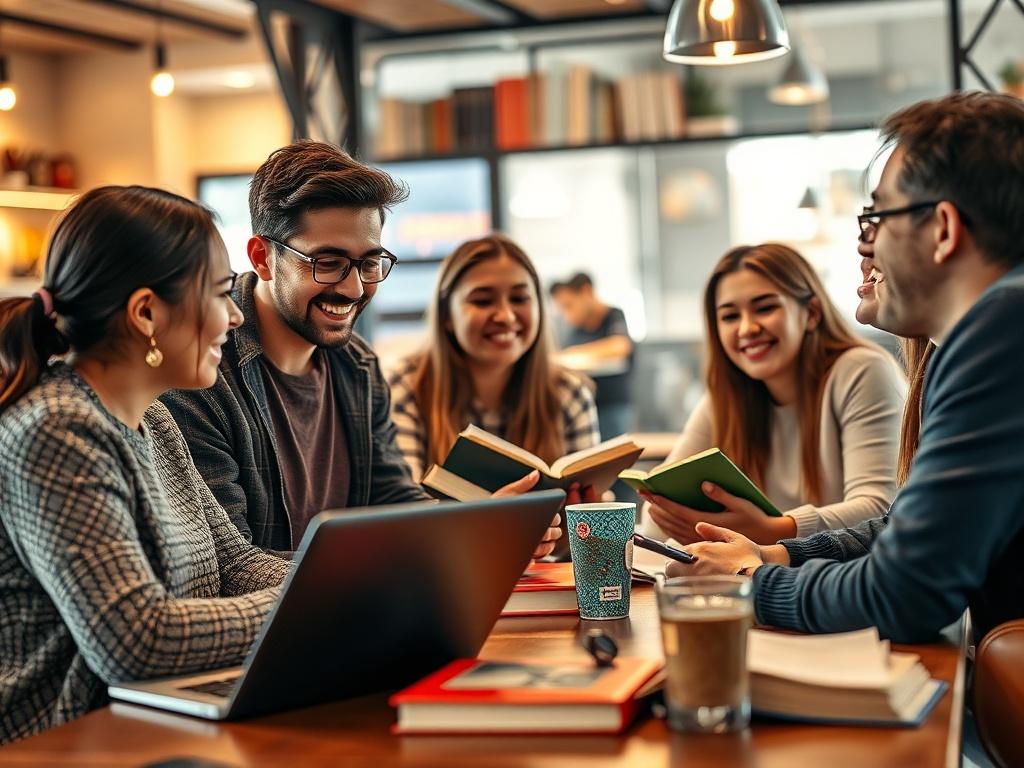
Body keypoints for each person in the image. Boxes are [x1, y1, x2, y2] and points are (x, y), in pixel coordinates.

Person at [667, 91, 1024, 644]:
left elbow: (906, 593)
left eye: (878, 216)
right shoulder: (992, 329)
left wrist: (750, 582)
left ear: (944, 230)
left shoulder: (1000, 330)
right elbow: (905, 531)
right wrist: (776, 554)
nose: (865, 245)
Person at [162, 142, 558, 558]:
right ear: (263, 258)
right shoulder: (202, 374)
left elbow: (392, 501)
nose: (353, 289)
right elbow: (233, 563)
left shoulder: (358, 364)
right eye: (328, 263)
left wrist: (481, 526)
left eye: (369, 263)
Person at [0, 186, 290, 745]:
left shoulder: (152, 418)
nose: (234, 317)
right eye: (222, 294)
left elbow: (236, 565)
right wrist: (320, 606)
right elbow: (135, 640)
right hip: (59, 743)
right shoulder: (55, 431)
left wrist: (360, 582)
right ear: (146, 312)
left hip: (150, 725)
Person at [637, 243, 906, 545]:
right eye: (729, 316)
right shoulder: (726, 396)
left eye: (765, 308)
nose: (747, 328)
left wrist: (773, 531)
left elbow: (879, 512)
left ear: (812, 313)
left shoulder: (862, 370)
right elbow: (655, 518)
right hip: (768, 581)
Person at [387, 234, 600, 484]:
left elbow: (586, 506)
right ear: (447, 315)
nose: (506, 316)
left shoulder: (568, 392)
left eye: (519, 299)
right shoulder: (407, 386)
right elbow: (403, 508)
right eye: (483, 301)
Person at [549, 272, 635, 440]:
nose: (567, 315)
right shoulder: (575, 330)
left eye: (569, 305)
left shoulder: (614, 316)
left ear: (586, 292)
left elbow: (620, 346)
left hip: (612, 407)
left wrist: (573, 354)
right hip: (581, 408)